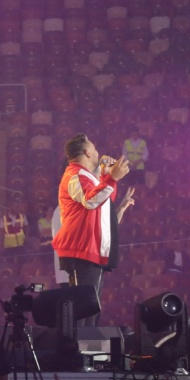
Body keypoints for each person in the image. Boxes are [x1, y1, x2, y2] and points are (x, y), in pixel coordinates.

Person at [51, 134, 130, 328]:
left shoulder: (86, 176)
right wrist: (111, 179)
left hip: (90, 249)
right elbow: (91, 200)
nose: (97, 152)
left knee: (91, 310)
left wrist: (107, 176)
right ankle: (77, 345)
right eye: (94, 149)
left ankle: (86, 344)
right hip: (82, 250)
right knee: (83, 311)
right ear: (87, 152)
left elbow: (105, 202)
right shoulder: (75, 175)